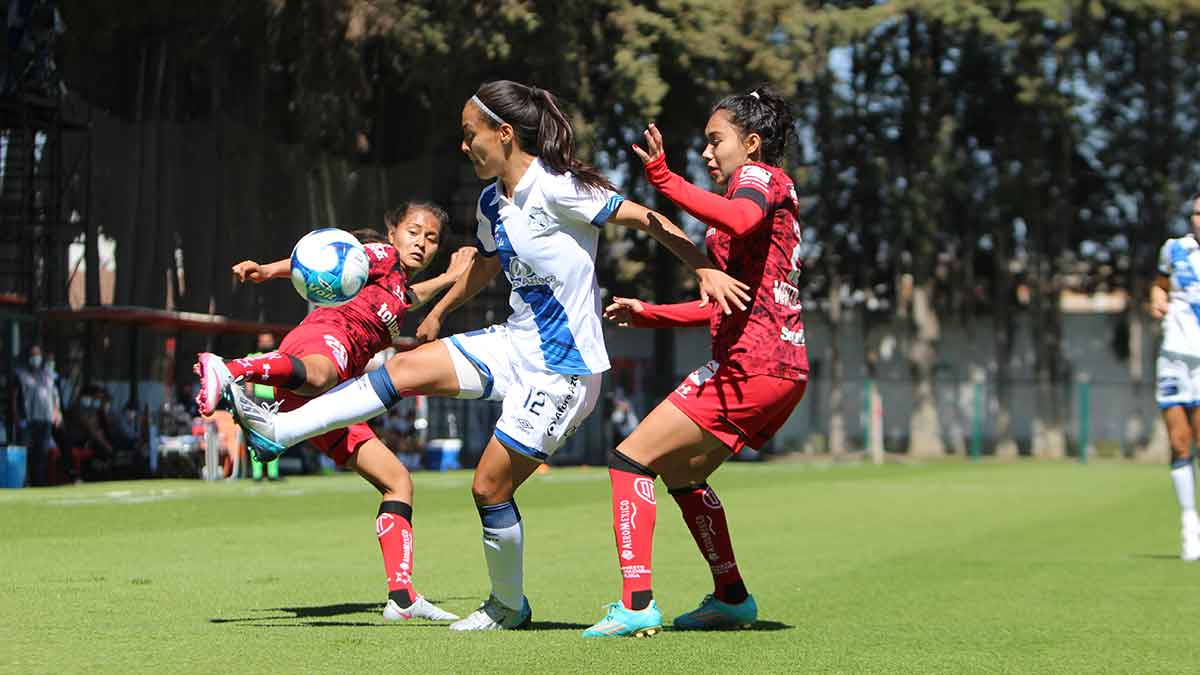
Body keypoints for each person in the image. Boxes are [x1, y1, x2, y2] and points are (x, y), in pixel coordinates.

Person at [220, 79, 750, 632]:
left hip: (564, 371)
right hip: (514, 342)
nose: (463, 145)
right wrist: (439, 311)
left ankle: (507, 607)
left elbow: (647, 218)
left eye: (469, 134)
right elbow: (486, 265)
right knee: (402, 369)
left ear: (503, 133)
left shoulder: (561, 188)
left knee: (488, 487)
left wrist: (703, 267)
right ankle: (281, 432)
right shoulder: (490, 201)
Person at [582, 87, 808, 637]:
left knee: (629, 459)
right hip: (775, 368)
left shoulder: (757, 178)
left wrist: (662, 180)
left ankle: (636, 602)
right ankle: (730, 597)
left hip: (751, 367)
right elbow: (720, 303)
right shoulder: (754, 196)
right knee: (683, 473)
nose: (707, 153)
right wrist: (651, 314)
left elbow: (739, 217)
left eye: (716, 141)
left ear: (751, 144)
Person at [194, 203, 475, 622]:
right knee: (322, 374)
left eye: (431, 238)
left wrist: (452, 278)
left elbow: (410, 297)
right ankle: (230, 369)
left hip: (338, 397)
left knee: (397, 482)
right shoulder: (380, 257)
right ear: (393, 231)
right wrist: (269, 271)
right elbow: (325, 260)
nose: (421, 242)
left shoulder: (397, 289)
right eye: (414, 231)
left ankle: (402, 598)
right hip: (322, 344)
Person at [1150, 192, 1200, 561]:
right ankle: (1189, 525)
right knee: (1180, 442)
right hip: (1172, 358)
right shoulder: (1174, 250)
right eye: (1197, 213)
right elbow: (1160, 285)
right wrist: (1156, 299)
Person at [12, 344, 62, 486]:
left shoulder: (47, 375)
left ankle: (38, 483)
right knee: (25, 453)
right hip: (27, 420)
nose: (36, 358)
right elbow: (14, 397)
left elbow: (54, 396)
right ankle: (22, 482)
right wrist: (16, 416)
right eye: (33, 354)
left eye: (38, 354)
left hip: (45, 420)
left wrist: (57, 412)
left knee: (41, 454)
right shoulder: (20, 374)